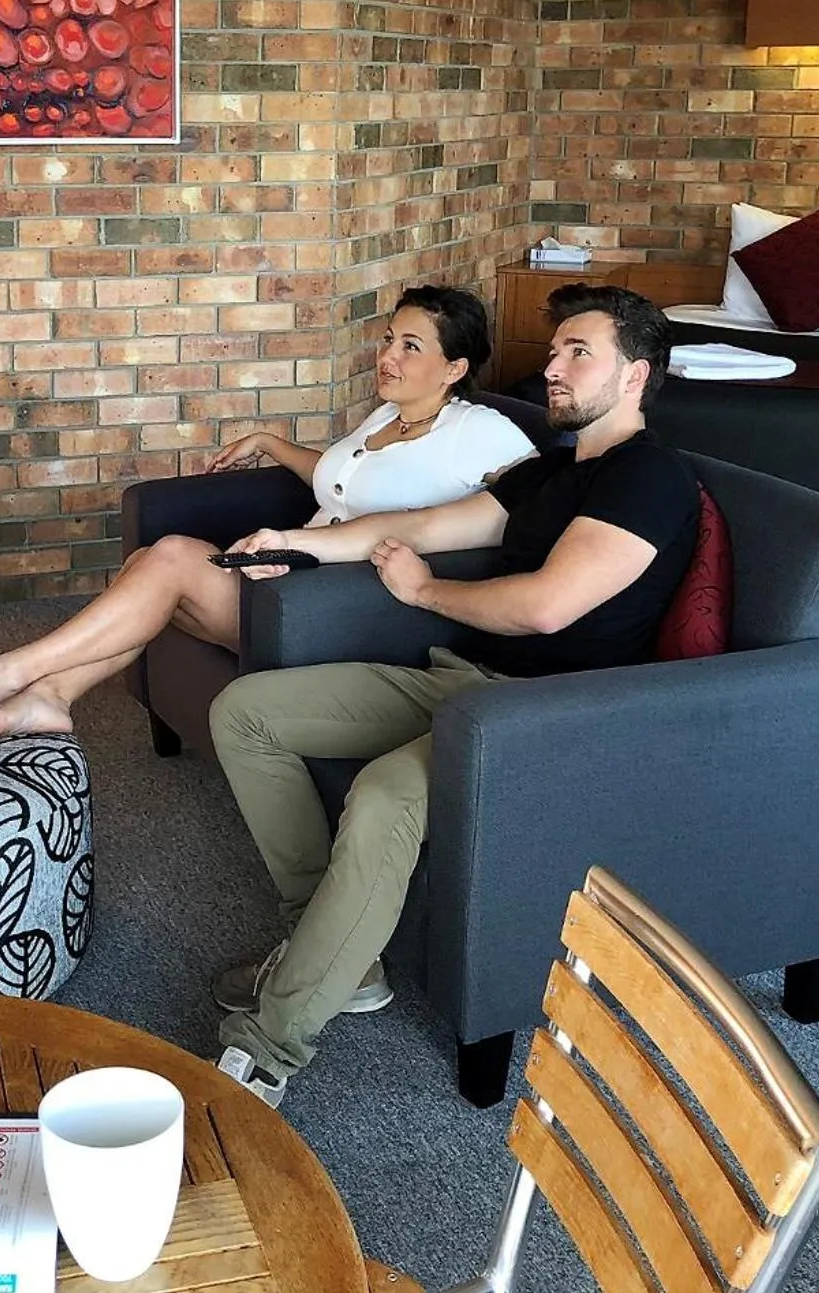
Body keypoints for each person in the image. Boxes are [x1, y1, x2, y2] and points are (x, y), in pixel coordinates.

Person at [203, 282, 701, 1103]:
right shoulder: (549, 471)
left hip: (548, 713)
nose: (555, 371)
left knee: (387, 795)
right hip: (466, 681)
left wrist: (426, 595)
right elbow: (429, 529)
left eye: (581, 354)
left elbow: (546, 607)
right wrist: (288, 541)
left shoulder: (649, 479)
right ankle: (332, 949)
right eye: (554, 354)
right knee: (247, 713)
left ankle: (266, 1047)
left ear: (637, 376)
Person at [0, 286, 536, 737]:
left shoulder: (481, 432)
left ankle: (12, 670)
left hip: (341, 607)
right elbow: (339, 480)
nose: (388, 357)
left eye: (410, 346)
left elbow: (529, 508)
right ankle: (51, 696)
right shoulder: (387, 417)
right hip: (290, 572)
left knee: (172, 559)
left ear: (455, 367)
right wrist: (267, 441)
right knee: (149, 565)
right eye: (389, 339)